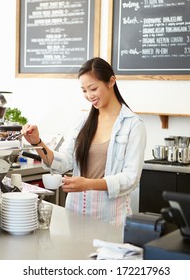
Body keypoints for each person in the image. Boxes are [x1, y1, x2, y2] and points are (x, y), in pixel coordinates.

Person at [21, 57, 147, 226]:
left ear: (111, 81)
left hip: (111, 217)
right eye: (84, 91)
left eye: (93, 88)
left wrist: (88, 184)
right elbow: (65, 162)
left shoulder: (132, 125)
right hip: (75, 213)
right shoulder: (82, 121)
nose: (89, 96)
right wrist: (37, 143)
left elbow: (130, 179)